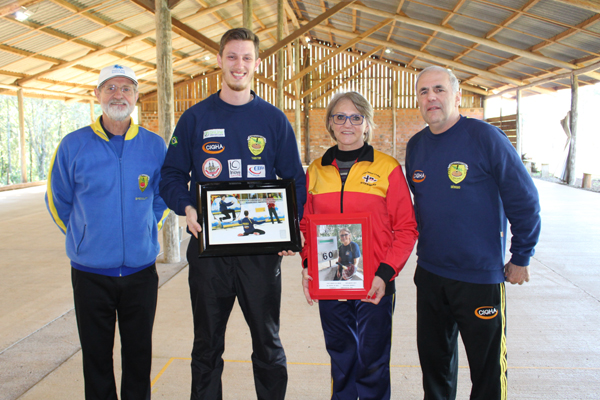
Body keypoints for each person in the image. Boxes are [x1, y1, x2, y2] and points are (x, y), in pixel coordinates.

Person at [158, 28, 306, 400]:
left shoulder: (274, 120)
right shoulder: (194, 118)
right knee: (206, 347)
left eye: (246, 58)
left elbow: (294, 181)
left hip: (259, 254)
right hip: (209, 253)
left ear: (256, 64)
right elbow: (171, 176)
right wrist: (188, 207)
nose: (239, 65)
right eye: (232, 57)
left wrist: (289, 228)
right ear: (220, 60)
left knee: (268, 345)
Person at [405, 65, 541, 400]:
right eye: (423, 92)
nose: (431, 97)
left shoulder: (485, 138)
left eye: (438, 89)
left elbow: (524, 199)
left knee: (487, 370)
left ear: (457, 95)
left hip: (479, 278)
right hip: (431, 275)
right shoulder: (416, 146)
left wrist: (521, 255)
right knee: (435, 368)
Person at [45, 64, 169, 400]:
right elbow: (58, 199)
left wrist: (147, 225)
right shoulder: (73, 145)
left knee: (139, 355)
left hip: (141, 272)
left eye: (126, 88)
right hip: (90, 274)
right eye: (110, 88)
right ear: (97, 95)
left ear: (136, 96)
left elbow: (162, 194)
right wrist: (84, 236)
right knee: (96, 358)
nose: (118, 94)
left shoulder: (154, 146)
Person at [300, 91, 418, 400]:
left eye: (356, 117)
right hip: (332, 283)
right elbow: (306, 226)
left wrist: (385, 273)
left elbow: (406, 228)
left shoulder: (387, 168)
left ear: (366, 124)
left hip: (375, 281)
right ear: (330, 124)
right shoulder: (315, 170)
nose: (347, 123)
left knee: (372, 360)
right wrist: (308, 266)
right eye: (340, 117)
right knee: (341, 357)